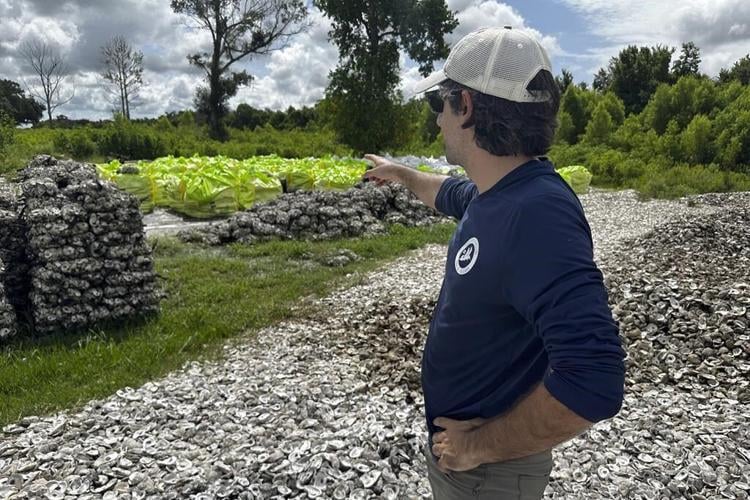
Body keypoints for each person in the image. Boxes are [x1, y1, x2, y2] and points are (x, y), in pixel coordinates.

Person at [363, 26, 625, 499]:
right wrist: (400, 173)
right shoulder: (498, 192)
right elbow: (448, 193)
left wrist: (478, 447)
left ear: (466, 106)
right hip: (470, 465)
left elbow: (594, 376)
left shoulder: (538, 213)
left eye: (437, 104)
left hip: (488, 475)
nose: (436, 120)